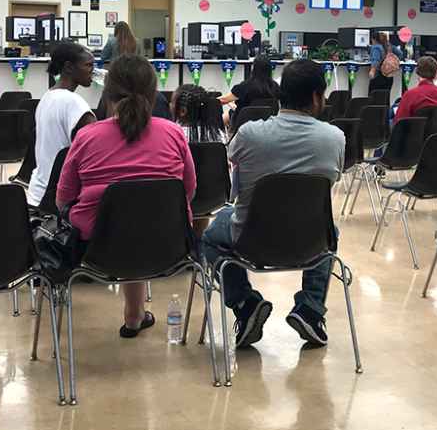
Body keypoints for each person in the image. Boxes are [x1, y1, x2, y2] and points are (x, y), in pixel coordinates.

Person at [202, 59, 345, 349]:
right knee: (330, 234)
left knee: (209, 238)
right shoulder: (335, 138)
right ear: (317, 97)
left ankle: (245, 302)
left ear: (282, 94)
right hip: (309, 242)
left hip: (251, 241)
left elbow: (233, 165)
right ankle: (311, 309)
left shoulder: (250, 134)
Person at [57, 54, 196, 338]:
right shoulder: (173, 133)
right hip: (168, 244)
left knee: (124, 225)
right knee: (137, 223)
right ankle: (134, 315)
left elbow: (62, 200)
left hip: (98, 248)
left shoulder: (87, 137)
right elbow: (189, 191)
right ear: (154, 91)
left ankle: (133, 314)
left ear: (108, 91)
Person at [26, 42, 96, 208]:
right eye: (88, 65)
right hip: (59, 198)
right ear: (69, 67)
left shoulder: (47, 96)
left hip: (38, 193)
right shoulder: (74, 103)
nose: (93, 70)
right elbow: (95, 151)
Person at [219, 54, 280, 124]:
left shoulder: (244, 86)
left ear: (253, 68)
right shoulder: (275, 86)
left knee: (224, 116)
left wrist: (209, 100)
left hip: (244, 123)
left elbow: (223, 100)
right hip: (269, 123)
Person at [393, 56, 437, 122]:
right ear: (435, 73)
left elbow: (399, 121)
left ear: (417, 72)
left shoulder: (410, 95)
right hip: (435, 131)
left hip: (413, 131)